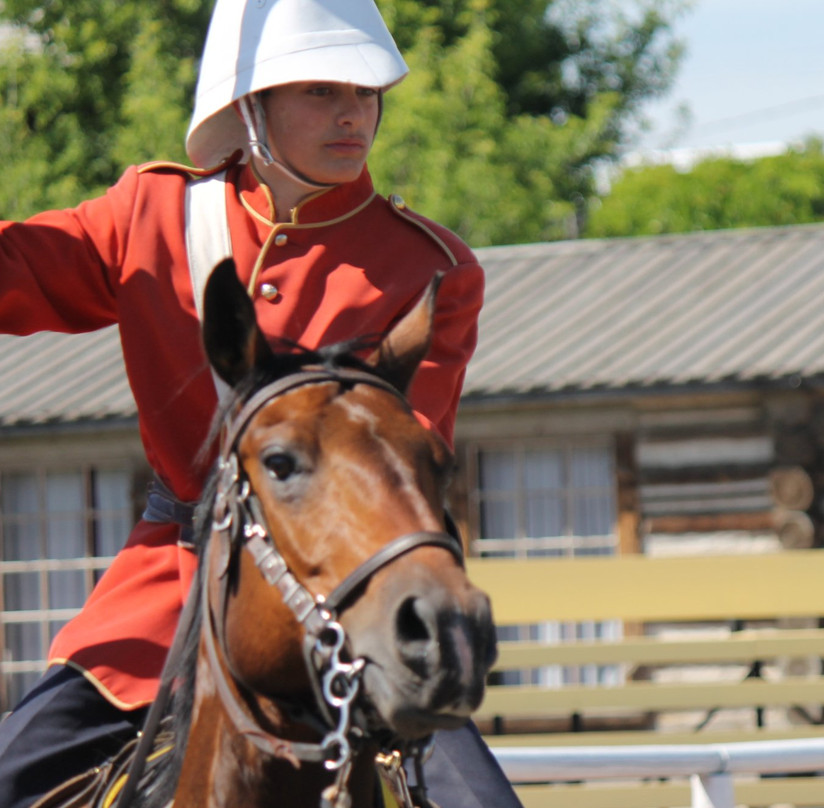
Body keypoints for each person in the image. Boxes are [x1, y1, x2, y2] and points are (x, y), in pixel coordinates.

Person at [0, 1, 522, 806]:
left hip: (350, 598)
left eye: (366, 93)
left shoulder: (432, 270)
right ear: (250, 104)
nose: (352, 114)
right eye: (320, 90)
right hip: (165, 599)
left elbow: (402, 465)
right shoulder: (153, 216)